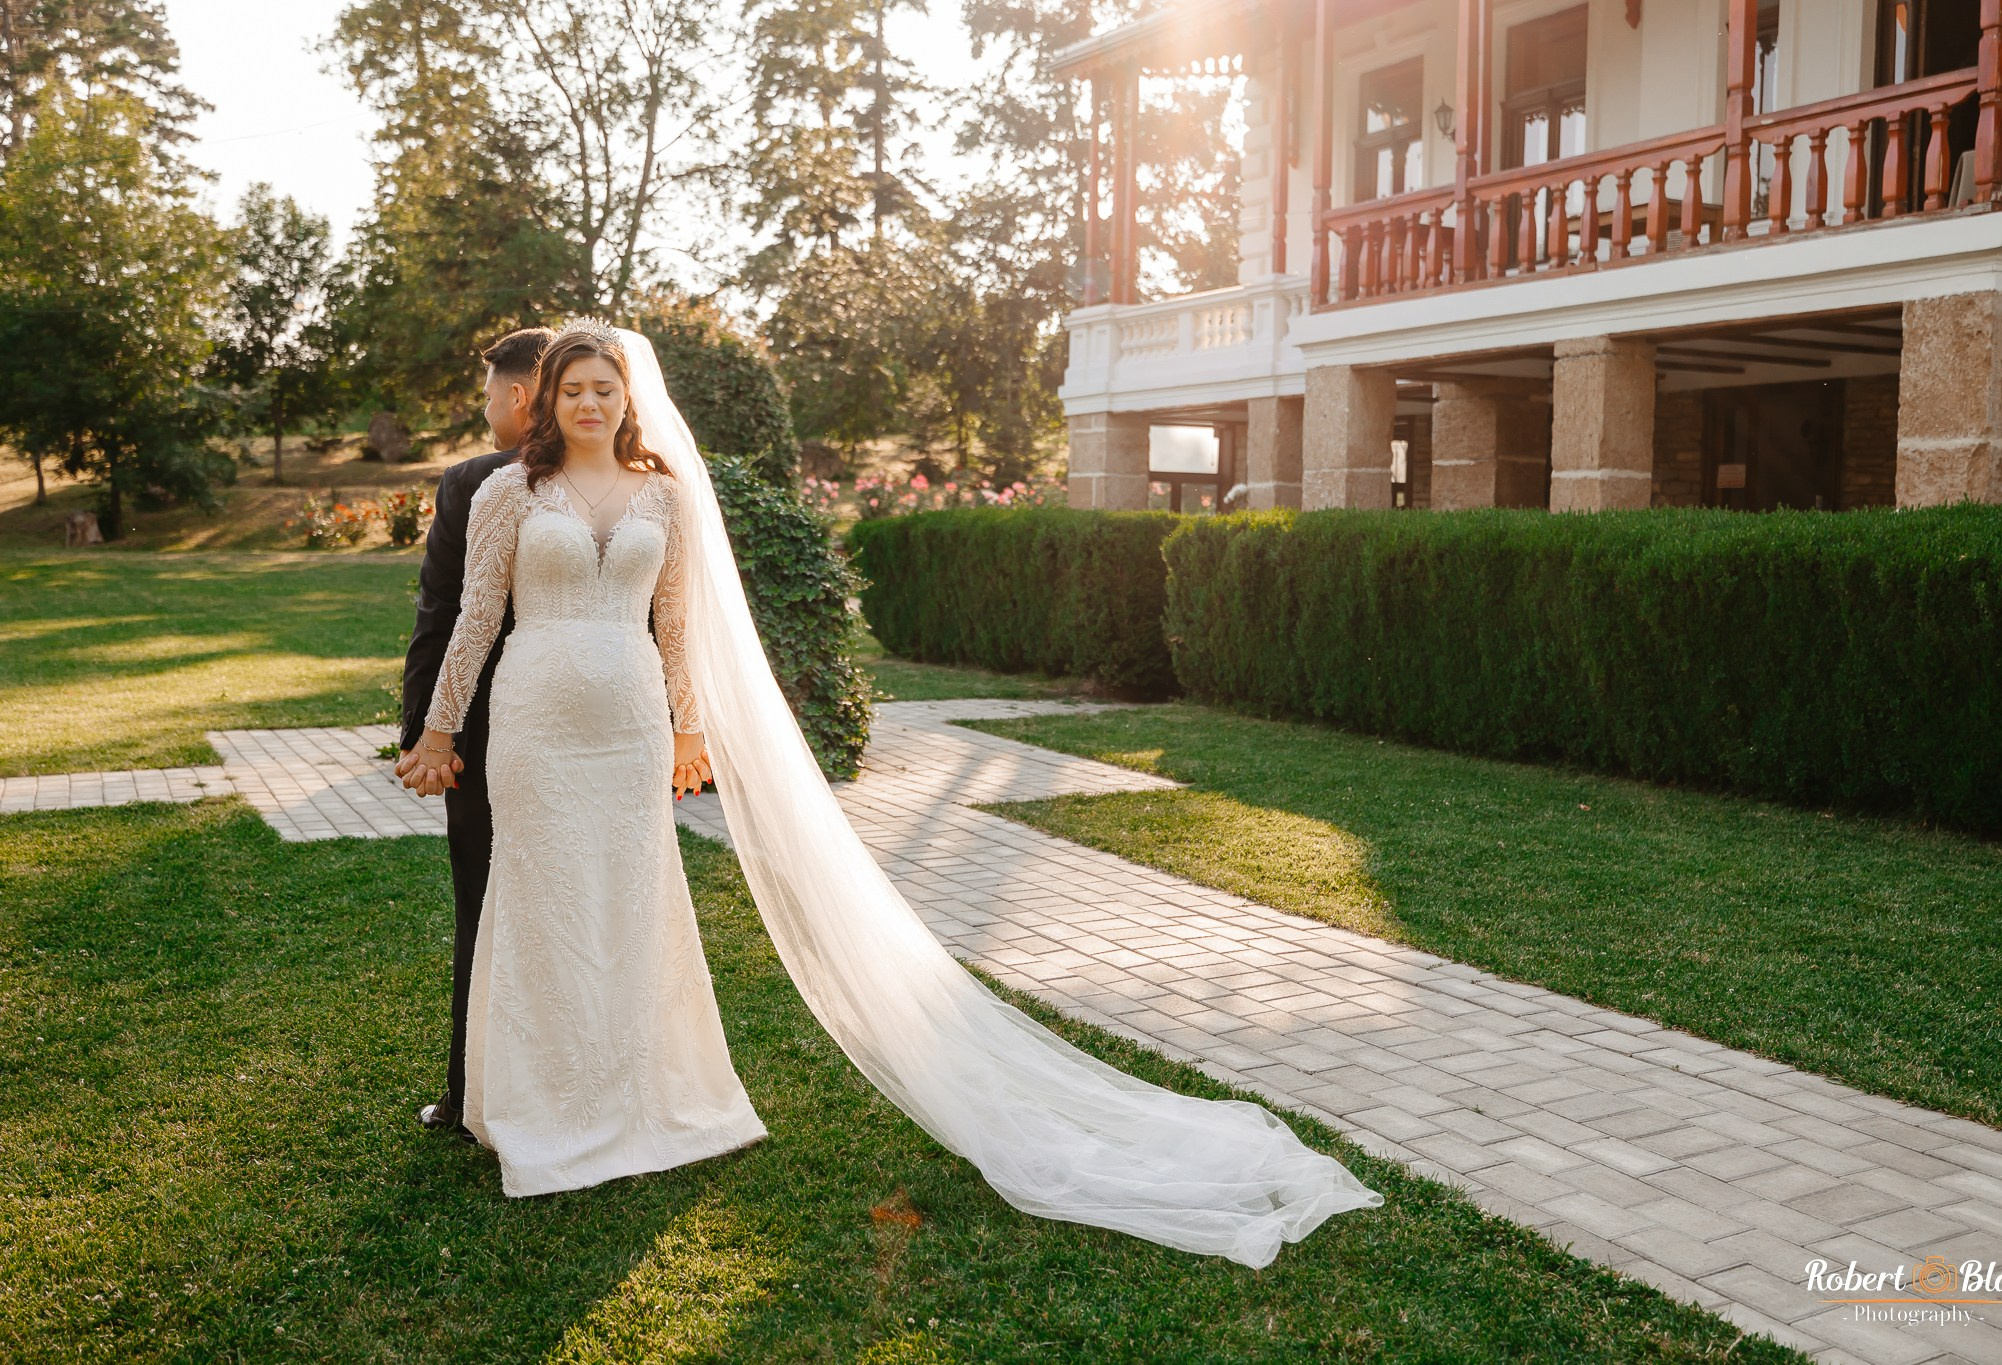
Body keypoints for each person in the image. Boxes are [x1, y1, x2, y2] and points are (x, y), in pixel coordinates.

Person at [411, 317, 1382, 1263]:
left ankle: (638, 1099)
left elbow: (675, 630)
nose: (588, 402)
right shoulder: (511, 490)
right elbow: (474, 618)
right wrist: (440, 731)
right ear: (548, 400)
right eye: (573, 389)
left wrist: (689, 728)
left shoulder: (663, 499)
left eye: (604, 388)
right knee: (541, 905)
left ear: (629, 400)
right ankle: (539, 1108)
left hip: (627, 724)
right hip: (535, 722)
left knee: (629, 906)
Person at [395, 326, 554, 1143]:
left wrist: (428, 733)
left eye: (490, 393)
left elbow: (445, 617)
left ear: (520, 394)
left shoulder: (473, 481)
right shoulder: (630, 481)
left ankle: (472, 1094)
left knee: (484, 907)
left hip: (490, 729)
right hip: (603, 727)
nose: (487, 408)